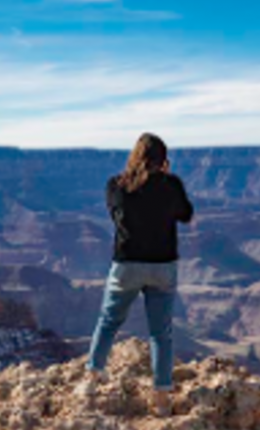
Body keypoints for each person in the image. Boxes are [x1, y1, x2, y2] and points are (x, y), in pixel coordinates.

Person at [82, 132, 194, 413]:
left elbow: (116, 214)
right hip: (162, 267)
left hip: (127, 265)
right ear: (163, 160)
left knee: (108, 322)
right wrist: (167, 183)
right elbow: (186, 214)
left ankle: (91, 380)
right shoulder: (171, 185)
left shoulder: (116, 185)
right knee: (161, 333)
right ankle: (162, 397)